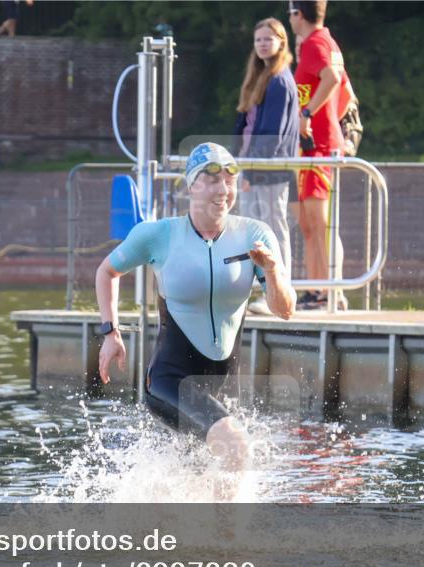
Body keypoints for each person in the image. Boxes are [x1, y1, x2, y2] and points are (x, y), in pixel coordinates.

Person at [94, 142, 296, 474]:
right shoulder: (159, 235)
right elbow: (107, 271)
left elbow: (285, 309)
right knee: (237, 447)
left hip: (221, 385)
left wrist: (272, 271)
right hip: (169, 382)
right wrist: (110, 332)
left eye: (230, 180)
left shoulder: (254, 235)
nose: (223, 190)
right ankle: (225, 530)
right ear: (191, 185)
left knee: (198, 478)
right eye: (212, 179)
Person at [234, 17, 300, 315]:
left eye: (268, 39)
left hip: (267, 169)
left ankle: (280, 288)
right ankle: (263, 289)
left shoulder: (280, 80)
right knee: (254, 229)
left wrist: (252, 171)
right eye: (258, 39)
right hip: (250, 164)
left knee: (273, 227)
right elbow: (246, 125)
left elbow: (273, 133)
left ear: (281, 42)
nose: (262, 44)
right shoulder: (259, 76)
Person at [289, 0, 351, 311]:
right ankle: (318, 289)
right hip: (319, 144)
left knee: (320, 223)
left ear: (297, 13)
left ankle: (327, 292)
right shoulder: (326, 42)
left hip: (317, 146)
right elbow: (347, 94)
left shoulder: (315, 43)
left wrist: (308, 113)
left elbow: (333, 79)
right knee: (312, 226)